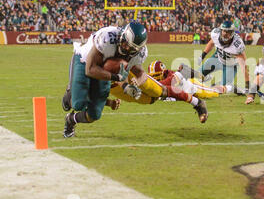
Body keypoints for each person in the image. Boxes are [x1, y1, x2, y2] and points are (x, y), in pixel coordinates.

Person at [61, 21, 208, 138]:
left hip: (109, 77)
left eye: (132, 48)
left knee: (94, 115)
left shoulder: (137, 54)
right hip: (85, 62)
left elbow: (138, 74)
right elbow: (91, 69)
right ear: (122, 37)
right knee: (78, 102)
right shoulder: (107, 38)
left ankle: (70, 119)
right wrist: (120, 83)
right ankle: (71, 92)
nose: (127, 49)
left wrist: (140, 84)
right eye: (126, 44)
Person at [198, 20, 249, 93]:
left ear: (232, 33)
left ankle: (235, 89)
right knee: (197, 75)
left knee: (222, 90)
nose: (225, 34)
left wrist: (248, 85)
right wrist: (202, 55)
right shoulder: (216, 34)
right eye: (224, 31)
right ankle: (207, 78)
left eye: (228, 32)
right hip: (217, 59)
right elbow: (212, 43)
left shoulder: (237, 45)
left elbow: (244, 66)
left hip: (230, 65)